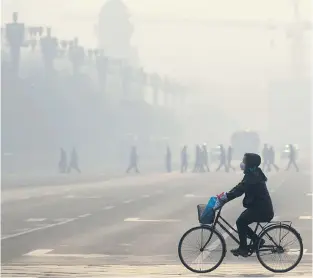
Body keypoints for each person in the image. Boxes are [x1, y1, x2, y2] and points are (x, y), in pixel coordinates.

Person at [217, 153, 274, 257]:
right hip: (259, 207)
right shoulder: (253, 174)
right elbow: (239, 187)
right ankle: (257, 240)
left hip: (262, 210)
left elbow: (240, 190)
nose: (242, 164)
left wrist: (226, 198)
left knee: (241, 222)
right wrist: (226, 195)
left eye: (244, 162)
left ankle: (244, 248)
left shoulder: (252, 177)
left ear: (250, 164)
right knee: (242, 221)